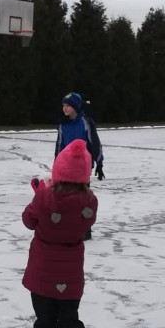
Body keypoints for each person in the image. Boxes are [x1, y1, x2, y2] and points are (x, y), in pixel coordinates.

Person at [22, 140, 98, 328]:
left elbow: (29, 219)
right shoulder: (90, 202)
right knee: (70, 325)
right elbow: (77, 218)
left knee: (45, 326)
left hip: (42, 275)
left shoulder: (45, 198)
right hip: (71, 277)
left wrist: (39, 192)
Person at [56, 92, 103, 238]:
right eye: (63, 105)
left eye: (68, 106)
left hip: (82, 166)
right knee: (66, 198)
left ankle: (85, 228)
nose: (64, 108)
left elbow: (95, 143)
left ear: (75, 107)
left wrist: (99, 162)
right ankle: (69, 226)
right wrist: (57, 164)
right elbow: (59, 146)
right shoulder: (63, 124)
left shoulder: (85, 122)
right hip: (66, 167)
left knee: (82, 198)